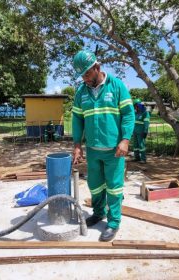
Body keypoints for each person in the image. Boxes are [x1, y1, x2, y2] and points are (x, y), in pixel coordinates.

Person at [71, 50, 135, 242]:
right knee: (95, 185)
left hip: (114, 150)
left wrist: (125, 140)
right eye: (82, 75)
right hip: (93, 150)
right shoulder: (81, 92)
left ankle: (114, 222)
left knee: (114, 188)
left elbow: (128, 115)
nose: (84, 78)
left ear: (97, 68)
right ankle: (99, 213)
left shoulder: (116, 86)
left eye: (87, 74)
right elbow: (77, 119)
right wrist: (77, 145)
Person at [132, 99, 150, 163]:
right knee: (135, 145)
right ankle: (137, 157)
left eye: (135, 106)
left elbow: (146, 123)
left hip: (141, 132)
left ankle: (143, 159)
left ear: (138, 105)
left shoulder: (145, 113)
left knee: (141, 145)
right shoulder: (135, 113)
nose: (134, 108)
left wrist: (145, 131)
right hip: (135, 132)